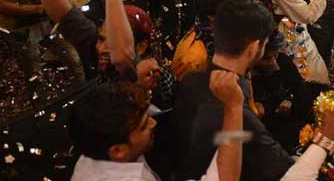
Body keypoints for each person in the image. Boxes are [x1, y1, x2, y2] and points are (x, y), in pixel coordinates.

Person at [175, 0, 288, 181]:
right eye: (265, 44)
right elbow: (288, 172)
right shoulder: (237, 113)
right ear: (253, 48)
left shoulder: (190, 81)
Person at [70, 71, 245, 181]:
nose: (153, 123)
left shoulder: (94, 150)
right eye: (145, 125)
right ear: (118, 150)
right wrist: (233, 108)